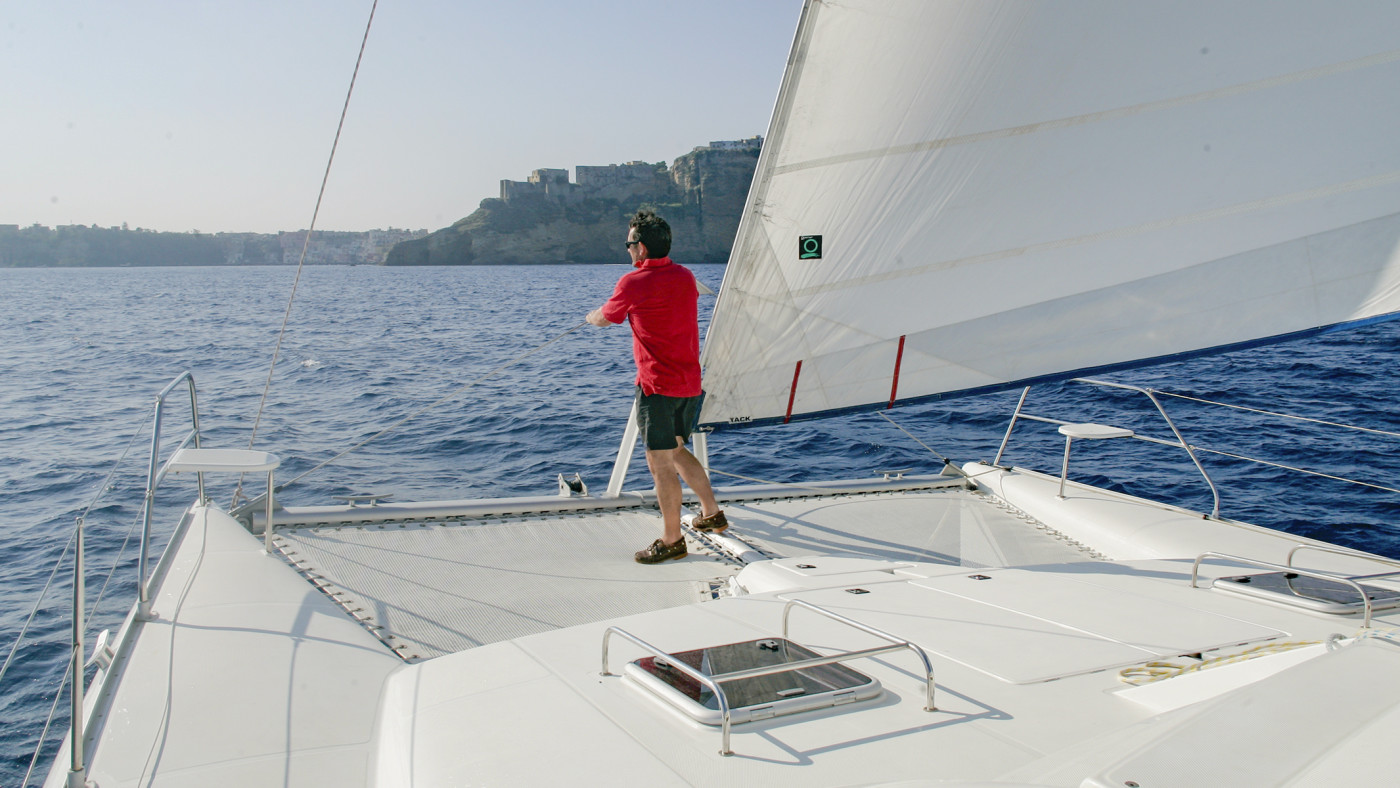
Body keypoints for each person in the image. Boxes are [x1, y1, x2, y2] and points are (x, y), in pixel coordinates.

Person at [586, 209, 727, 563]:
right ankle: (711, 513)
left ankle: (672, 539)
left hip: (657, 387)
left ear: (642, 248)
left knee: (660, 462)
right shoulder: (685, 276)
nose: (628, 250)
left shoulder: (632, 282)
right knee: (676, 449)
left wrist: (591, 316)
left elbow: (606, 318)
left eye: (629, 244)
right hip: (689, 384)